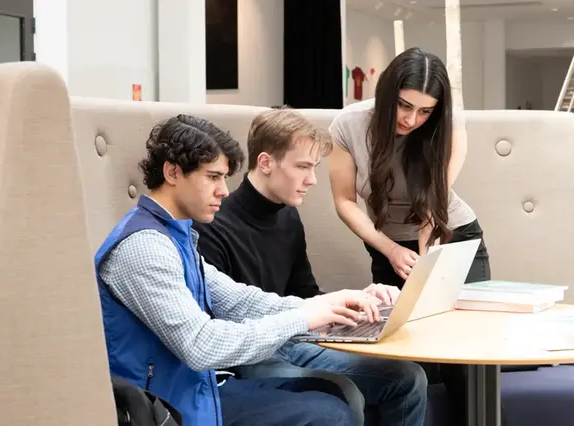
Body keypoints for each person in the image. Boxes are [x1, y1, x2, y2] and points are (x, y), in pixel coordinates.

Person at [94, 114, 384, 426]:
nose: (223, 190)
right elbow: (200, 345)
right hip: (165, 409)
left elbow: (239, 300)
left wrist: (328, 304)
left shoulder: (174, 236)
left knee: (336, 394)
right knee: (330, 413)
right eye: (213, 177)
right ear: (173, 172)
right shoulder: (144, 246)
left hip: (197, 388)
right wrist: (302, 318)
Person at [194, 108, 429, 426]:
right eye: (303, 167)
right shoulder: (213, 227)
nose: (312, 180)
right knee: (346, 393)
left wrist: (358, 301)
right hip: (251, 356)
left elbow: (306, 295)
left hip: (296, 340)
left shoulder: (287, 215)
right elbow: (222, 326)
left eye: (314, 168)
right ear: (265, 163)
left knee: (409, 377)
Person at [327, 47, 491, 426]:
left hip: (451, 236)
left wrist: (426, 262)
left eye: (424, 111)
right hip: (388, 245)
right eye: (403, 106)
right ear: (386, 93)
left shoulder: (448, 125)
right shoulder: (348, 124)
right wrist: (387, 249)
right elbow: (344, 201)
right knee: (409, 357)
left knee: (466, 354)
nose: (412, 119)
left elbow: (435, 203)